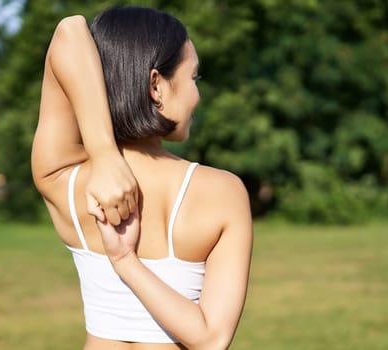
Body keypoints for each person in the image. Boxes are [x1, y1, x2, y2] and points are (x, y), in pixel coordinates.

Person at [31, 6, 252, 350]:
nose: (198, 95)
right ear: (155, 86)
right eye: (193, 78)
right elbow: (211, 339)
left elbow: (68, 32)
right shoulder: (221, 192)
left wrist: (105, 156)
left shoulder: (63, 180)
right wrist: (126, 263)